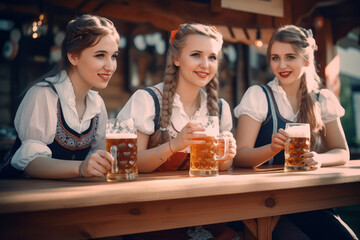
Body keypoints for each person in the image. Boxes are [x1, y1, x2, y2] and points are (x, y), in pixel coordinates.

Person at [234, 25, 357, 240]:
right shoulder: (258, 96)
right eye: (275, 58)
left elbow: (341, 151)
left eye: (290, 57)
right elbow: (240, 156)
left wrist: (318, 159)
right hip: (264, 201)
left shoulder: (322, 99)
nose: (281, 65)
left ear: (306, 61)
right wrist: (271, 149)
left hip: (306, 197)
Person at [118, 23, 239, 239]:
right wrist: (174, 145)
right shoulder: (146, 101)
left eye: (212, 57)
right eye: (196, 55)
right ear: (176, 59)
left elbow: (223, 167)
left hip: (203, 213)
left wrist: (228, 156)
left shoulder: (220, 108)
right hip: (150, 217)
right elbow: (129, 163)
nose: (205, 64)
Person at [0, 14, 120, 179]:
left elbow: (99, 155)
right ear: (73, 57)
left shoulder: (97, 104)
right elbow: (31, 163)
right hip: (21, 196)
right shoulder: (43, 94)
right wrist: (81, 167)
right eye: (100, 55)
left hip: (66, 196)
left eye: (114, 56)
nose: (110, 66)